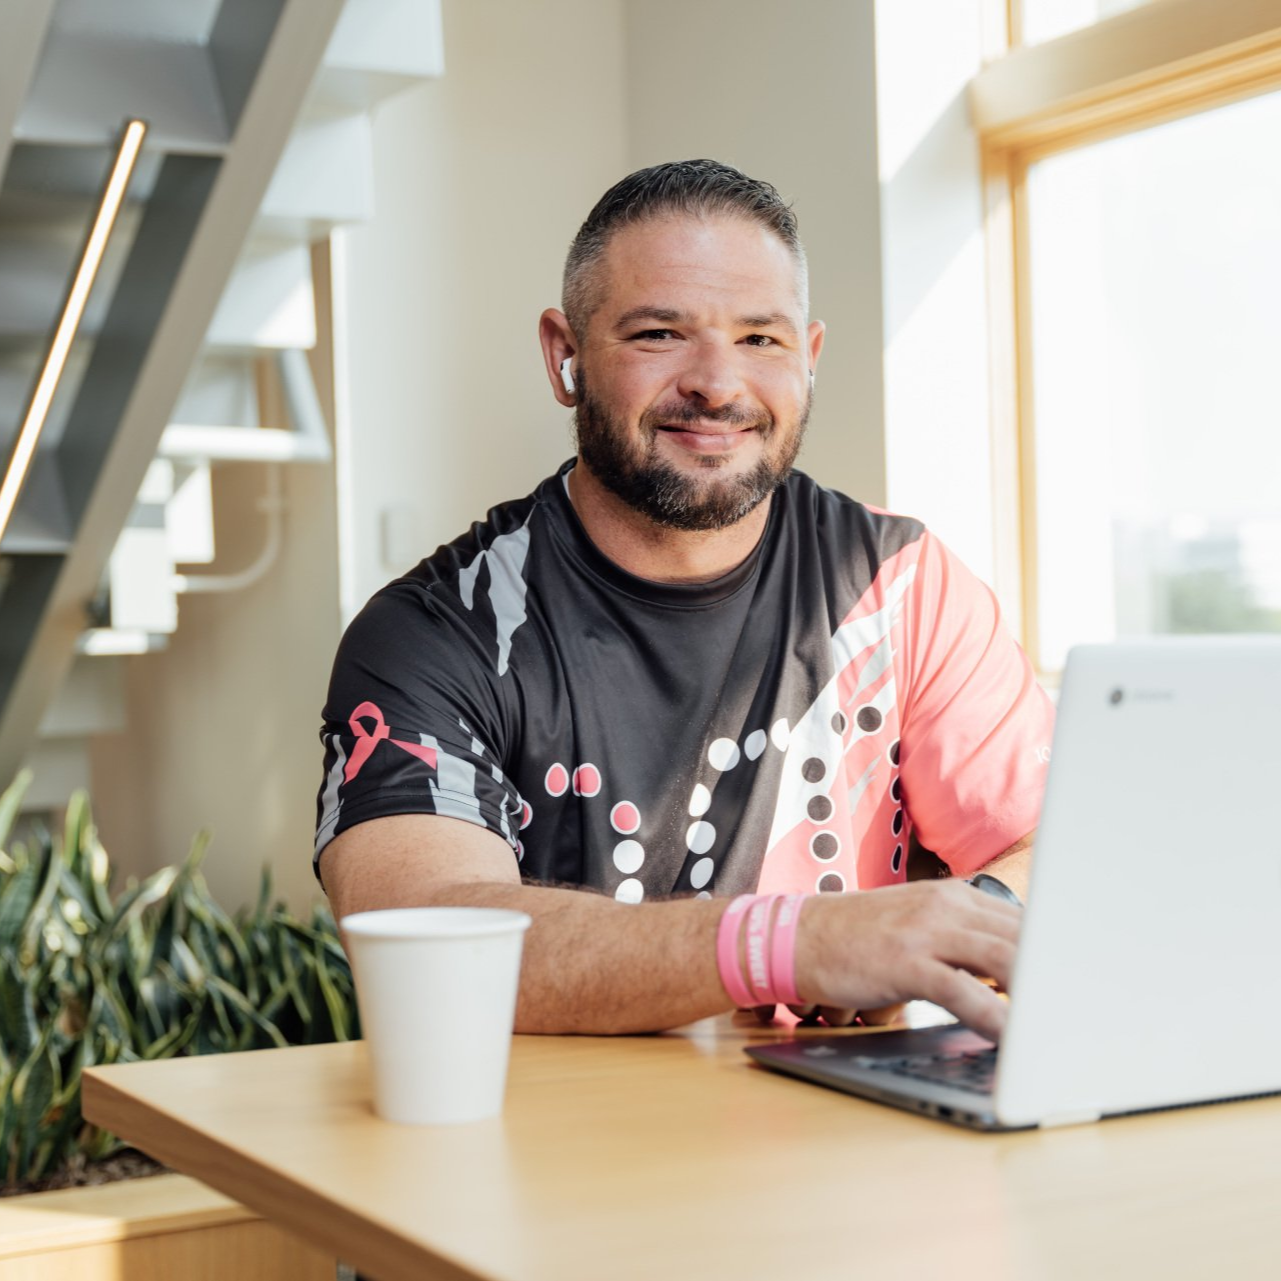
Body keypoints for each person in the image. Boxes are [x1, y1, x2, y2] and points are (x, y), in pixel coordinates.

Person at [315, 160, 1054, 1042]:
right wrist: (790, 943)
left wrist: (955, 922)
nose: (717, 382)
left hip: (851, 1145)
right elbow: (429, 946)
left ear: (808, 360)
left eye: (760, 339)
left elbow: (1060, 845)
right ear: (565, 356)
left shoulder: (901, 583)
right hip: (550, 1162)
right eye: (661, 333)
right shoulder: (436, 632)